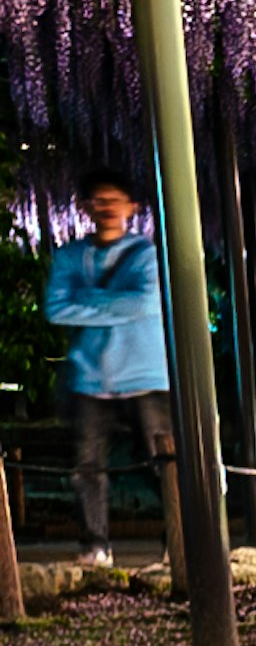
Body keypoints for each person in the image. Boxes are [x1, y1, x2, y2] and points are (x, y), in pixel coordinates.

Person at [46, 171, 172, 571]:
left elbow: (145, 303)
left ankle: (180, 540)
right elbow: (56, 309)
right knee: (87, 468)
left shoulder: (146, 254)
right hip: (89, 377)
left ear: (132, 207)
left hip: (146, 374)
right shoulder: (69, 256)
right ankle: (95, 547)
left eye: (115, 200)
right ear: (84, 208)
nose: (107, 208)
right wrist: (115, 302)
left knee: (164, 464)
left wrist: (87, 299)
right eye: (98, 201)